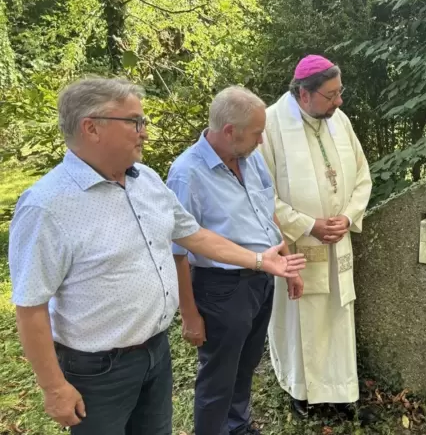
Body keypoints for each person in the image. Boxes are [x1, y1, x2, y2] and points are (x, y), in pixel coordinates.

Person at [8, 77, 305, 435]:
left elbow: (195, 235)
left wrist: (260, 261)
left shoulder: (144, 180)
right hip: (99, 370)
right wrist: (54, 387)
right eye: (135, 122)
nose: (144, 132)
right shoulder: (47, 207)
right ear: (91, 128)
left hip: (156, 353)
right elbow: (30, 307)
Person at [167, 86, 302, 435]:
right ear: (230, 131)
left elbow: (266, 214)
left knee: (246, 365)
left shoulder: (251, 159)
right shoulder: (187, 173)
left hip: (262, 279)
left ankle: (238, 426)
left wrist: (286, 265)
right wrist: (190, 314)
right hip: (221, 289)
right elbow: (177, 250)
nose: (261, 142)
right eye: (257, 133)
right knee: (218, 375)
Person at [259, 55, 373, 420]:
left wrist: (346, 216)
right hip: (297, 245)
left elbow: (362, 176)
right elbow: (263, 194)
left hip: (336, 240)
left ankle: (340, 391)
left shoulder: (339, 120)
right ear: (304, 95)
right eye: (331, 95)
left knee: (338, 315)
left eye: (340, 92)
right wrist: (308, 225)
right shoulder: (271, 125)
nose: (339, 101)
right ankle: (301, 390)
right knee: (301, 318)